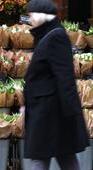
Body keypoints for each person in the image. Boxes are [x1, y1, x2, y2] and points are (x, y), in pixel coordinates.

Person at [24, 0, 90, 169]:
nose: (29, 19)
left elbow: (65, 77)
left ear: (41, 15)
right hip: (50, 112)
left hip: (51, 113)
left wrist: (71, 113)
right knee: (65, 158)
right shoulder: (47, 35)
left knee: (41, 158)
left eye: (31, 14)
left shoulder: (55, 36)